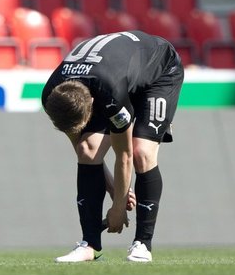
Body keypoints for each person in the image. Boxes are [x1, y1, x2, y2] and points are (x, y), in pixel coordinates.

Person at [41, 31, 183, 263]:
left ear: (93, 105)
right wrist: (115, 189)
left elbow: (124, 154)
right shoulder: (51, 95)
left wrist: (118, 208)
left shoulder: (110, 93)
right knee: (87, 148)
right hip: (115, 71)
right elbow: (79, 144)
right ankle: (90, 245)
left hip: (159, 70)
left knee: (141, 152)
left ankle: (143, 244)